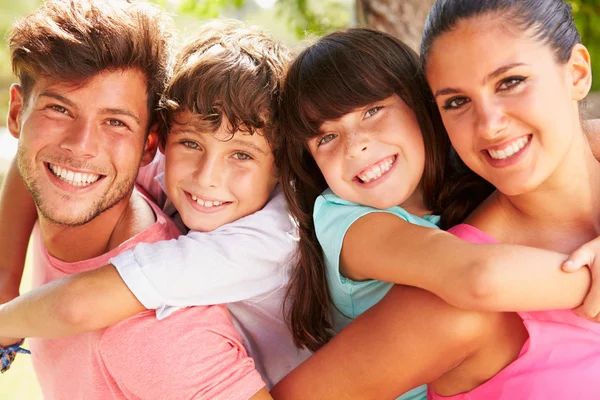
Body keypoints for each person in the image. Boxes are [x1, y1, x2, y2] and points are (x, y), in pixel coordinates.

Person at [270, 0, 600, 398]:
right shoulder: (441, 295)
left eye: (511, 81)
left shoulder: (446, 191)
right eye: (457, 102)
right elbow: (477, 278)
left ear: (578, 73)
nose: (490, 124)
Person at [1, 1, 270, 398]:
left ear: (149, 145)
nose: (81, 147)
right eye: (59, 109)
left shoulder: (158, 335)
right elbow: (30, 167)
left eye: (115, 122)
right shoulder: (72, 182)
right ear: (17, 113)